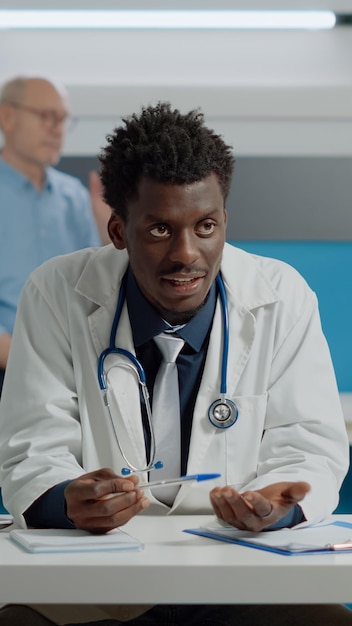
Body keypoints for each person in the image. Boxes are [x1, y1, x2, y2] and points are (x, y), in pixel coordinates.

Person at [0, 102, 350, 625]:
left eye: (206, 225)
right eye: (159, 229)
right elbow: (33, 446)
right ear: (118, 231)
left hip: (242, 575)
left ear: (225, 221)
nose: (187, 253)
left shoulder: (281, 296)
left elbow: (309, 444)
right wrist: (66, 501)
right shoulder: (58, 292)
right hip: (99, 581)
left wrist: (282, 504)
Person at [0, 74, 111, 393]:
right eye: (47, 117)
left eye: (62, 120)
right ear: (7, 116)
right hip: (9, 367)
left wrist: (112, 238)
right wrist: (23, 359)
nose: (57, 129)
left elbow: (93, 288)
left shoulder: (74, 196)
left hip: (71, 369)